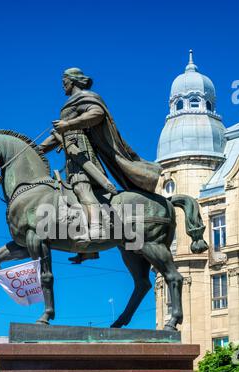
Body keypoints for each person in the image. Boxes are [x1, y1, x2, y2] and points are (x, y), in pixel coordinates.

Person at [39, 67, 161, 262]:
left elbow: (96, 114)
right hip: (72, 153)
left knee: (81, 188)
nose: (62, 83)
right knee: (72, 194)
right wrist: (36, 150)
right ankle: (90, 250)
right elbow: (57, 136)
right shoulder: (69, 104)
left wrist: (69, 125)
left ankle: (96, 231)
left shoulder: (87, 97)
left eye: (65, 80)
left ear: (74, 81)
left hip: (83, 154)